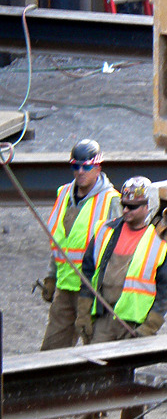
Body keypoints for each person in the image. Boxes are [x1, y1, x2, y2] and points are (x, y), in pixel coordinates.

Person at [58, 175, 167, 419]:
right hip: (103, 318)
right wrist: (84, 313)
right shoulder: (106, 231)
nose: (125, 210)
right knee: (94, 375)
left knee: (130, 381)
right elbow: (88, 273)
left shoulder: (160, 241)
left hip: (134, 323)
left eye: (133, 206)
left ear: (149, 206)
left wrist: (151, 325)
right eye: (124, 205)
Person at [40, 138, 121, 354]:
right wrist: (52, 277)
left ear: (98, 167)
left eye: (86, 166)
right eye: (76, 166)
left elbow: (118, 254)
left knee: (95, 353)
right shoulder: (64, 194)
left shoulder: (111, 201)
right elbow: (59, 243)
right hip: (65, 289)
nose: (80, 171)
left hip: (94, 292)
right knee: (51, 352)